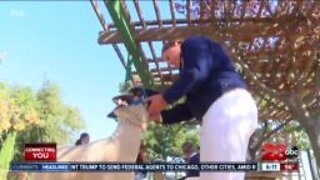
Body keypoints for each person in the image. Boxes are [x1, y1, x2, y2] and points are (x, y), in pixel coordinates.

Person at [147, 36, 258, 180]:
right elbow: (189, 108)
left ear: (176, 43)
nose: (170, 64)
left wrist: (164, 99)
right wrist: (162, 116)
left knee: (221, 176)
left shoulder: (192, 44)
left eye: (168, 57)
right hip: (222, 111)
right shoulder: (196, 78)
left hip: (227, 106)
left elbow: (196, 71)